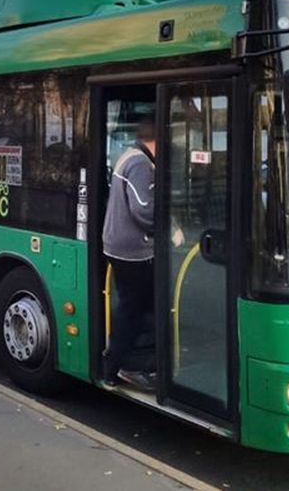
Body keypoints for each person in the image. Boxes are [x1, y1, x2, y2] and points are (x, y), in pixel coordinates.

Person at [101, 117, 179, 392]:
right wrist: (171, 230)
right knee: (134, 311)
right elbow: (144, 210)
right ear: (155, 141)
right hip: (133, 252)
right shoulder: (140, 164)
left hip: (122, 247)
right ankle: (122, 367)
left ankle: (141, 362)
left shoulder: (130, 157)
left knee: (141, 307)